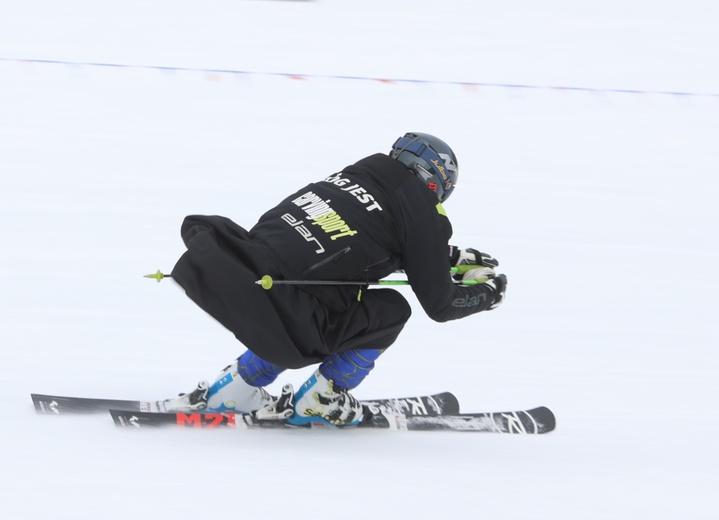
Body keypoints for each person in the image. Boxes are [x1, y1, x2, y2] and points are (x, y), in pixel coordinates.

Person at [164, 132, 507, 426]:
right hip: (290, 318)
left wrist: (444, 256)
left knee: (301, 289)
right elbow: (441, 305)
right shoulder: (421, 210)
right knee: (391, 310)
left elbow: (361, 238)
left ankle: (236, 387)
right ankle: (322, 397)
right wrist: (488, 294)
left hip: (240, 278)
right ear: (437, 182)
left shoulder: (355, 174)